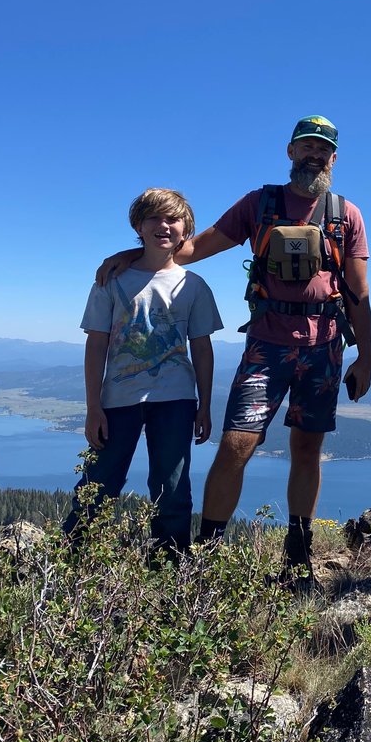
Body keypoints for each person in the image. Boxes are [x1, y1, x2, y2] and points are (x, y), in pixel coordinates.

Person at [96, 115, 371, 590]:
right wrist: (132, 254)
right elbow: (192, 249)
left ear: (333, 158)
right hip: (267, 343)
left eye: (323, 149)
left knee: (308, 448)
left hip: (325, 345)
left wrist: (365, 356)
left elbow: (359, 292)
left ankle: (297, 554)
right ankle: (207, 554)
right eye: (306, 146)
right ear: (290, 152)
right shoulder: (259, 204)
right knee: (236, 446)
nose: (314, 155)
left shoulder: (346, 213)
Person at [65, 187, 223, 556]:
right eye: (154, 218)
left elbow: (202, 347)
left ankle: (168, 571)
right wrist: (93, 407)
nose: (164, 226)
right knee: (99, 482)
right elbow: (97, 344)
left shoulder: (194, 286)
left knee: (172, 488)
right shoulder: (111, 280)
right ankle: (71, 561)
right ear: (138, 225)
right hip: (118, 399)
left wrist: (204, 405)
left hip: (177, 399)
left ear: (186, 230)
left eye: (173, 219)